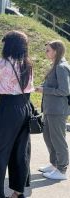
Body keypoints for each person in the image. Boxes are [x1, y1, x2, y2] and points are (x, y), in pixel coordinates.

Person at [0, 31, 34, 198]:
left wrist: (0, 89)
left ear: (9, 45)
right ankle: (18, 195)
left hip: (8, 107)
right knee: (20, 151)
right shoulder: (28, 63)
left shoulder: (2, 63)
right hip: (26, 106)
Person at [36, 40, 69, 180]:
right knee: (48, 137)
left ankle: (62, 170)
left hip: (57, 110)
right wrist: (42, 87)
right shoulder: (55, 65)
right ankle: (54, 164)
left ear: (56, 51)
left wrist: (44, 89)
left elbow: (64, 90)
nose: (46, 52)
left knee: (58, 140)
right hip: (50, 109)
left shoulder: (61, 67)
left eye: (48, 50)